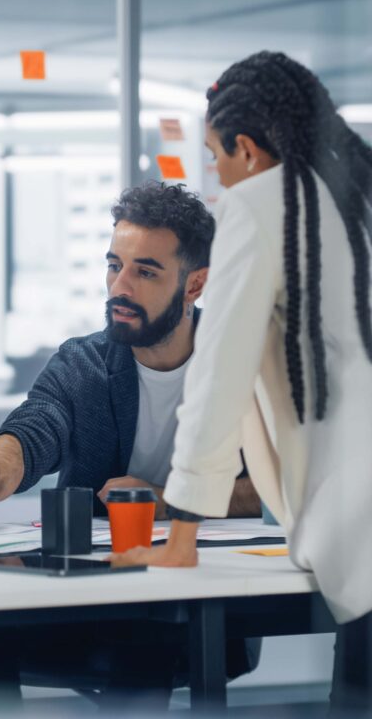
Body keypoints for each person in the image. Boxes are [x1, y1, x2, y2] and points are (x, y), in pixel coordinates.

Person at [112, 51, 372, 715]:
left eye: (216, 156)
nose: (216, 175)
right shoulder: (358, 196)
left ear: (248, 150)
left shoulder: (261, 202)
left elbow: (217, 376)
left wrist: (181, 534)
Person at [0, 182, 260, 706]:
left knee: (147, 628)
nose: (119, 287)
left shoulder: (243, 364)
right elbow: (31, 431)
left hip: (200, 594)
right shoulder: (83, 364)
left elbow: (271, 487)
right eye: (115, 265)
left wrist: (163, 498)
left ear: (194, 284)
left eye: (145, 271)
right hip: (88, 594)